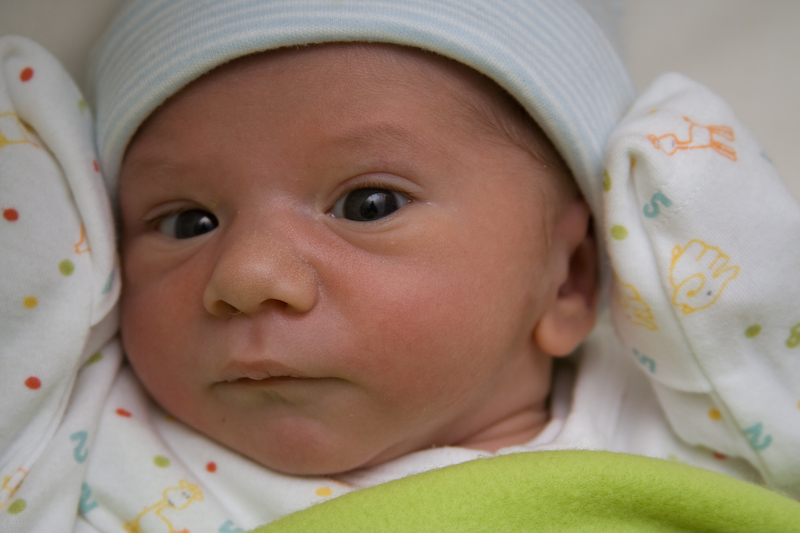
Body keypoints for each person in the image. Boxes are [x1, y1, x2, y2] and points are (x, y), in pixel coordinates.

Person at [2, 0, 799, 531]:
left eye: (367, 205)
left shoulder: (702, 421)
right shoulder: (92, 450)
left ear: (571, 278)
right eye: (188, 221)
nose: (244, 275)